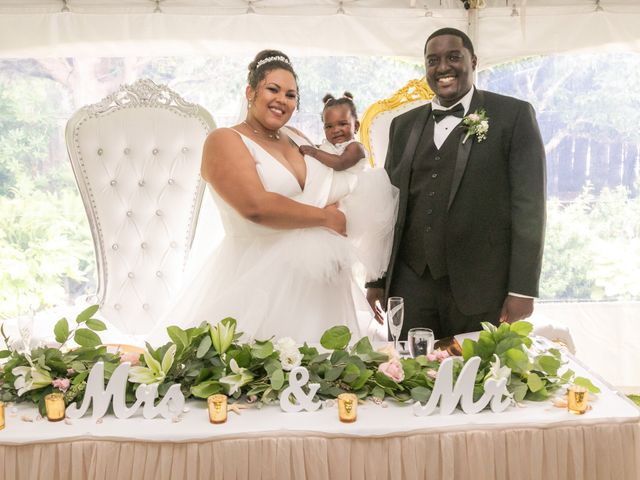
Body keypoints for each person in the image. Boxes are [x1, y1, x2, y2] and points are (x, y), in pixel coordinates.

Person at [148, 50, 369, 344]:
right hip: (260, 283)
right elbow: (256, 206)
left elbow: (328, 183)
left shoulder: (297, 137)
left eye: (291, 95)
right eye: (273, 89)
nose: (282, 100)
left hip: (318, 287)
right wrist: (329, 218)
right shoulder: (224, 140)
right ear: (250, 91)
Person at [366, 27, 546, 341]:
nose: (443, 67)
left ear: (473, 60)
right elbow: (387, 203)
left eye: (453, 57)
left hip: (481, 283)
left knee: (478, 381)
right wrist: (376, 278)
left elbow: (529, 207)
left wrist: (522, 288)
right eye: (433, 60)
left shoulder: (512, 115)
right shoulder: (402, 126)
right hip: (411, 282)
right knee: (408, 378)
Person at [298, 92, 398, 283]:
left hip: (353, 194)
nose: (336, 130)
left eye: (342, 124)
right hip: (336, 191)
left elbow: (339, 163)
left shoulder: (355, 148)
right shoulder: (326, 146)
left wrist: (313, 152)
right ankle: (325, 265)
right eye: (329, 126)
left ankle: (338, 265)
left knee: (340, 229)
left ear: (356, 125)